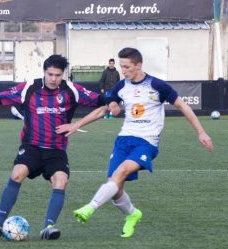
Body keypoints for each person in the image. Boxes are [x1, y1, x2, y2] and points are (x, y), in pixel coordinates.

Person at [56, 47, 214, 238]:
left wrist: (202, 132)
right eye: (122, 66)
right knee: (115, 188)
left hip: (146, 142)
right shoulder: (121, 86)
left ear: (139, 65)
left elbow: (183, 106)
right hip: (123, 140)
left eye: (127, 67)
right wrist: (76, 125)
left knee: (120, 172)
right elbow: (105, 109)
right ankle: (133, 214)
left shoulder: (158, 86)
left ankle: (89, 208)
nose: (123, 70)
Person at [0, 55, 107, 240]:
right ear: (44, 72)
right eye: (50, 74)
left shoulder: (72, 90)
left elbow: (104, 104)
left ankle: (48, 227)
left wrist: (75, 125)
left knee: (61, 181)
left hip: (56, 150)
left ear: (63, 74)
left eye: (58, 75)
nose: (53, 79)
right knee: (17, 173)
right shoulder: (29, 88)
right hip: (31, 147)